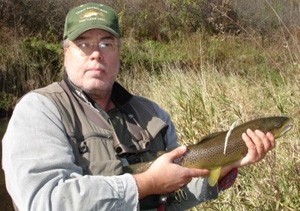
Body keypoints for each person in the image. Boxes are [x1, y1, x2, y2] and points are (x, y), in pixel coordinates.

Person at [2, 2, 275, 211]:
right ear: (66, 53)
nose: (96, 53)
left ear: (119, 52)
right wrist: (144, 184)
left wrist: (228, 163)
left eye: (106, 43)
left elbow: (175, 196)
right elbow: (43, 200)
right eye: (83, 44)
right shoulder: (39, 111)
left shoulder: (153, 114)